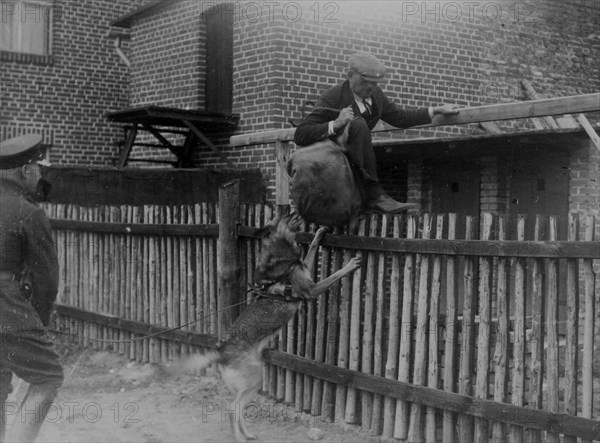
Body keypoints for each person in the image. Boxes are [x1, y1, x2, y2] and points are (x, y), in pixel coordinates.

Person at [294, 52, 459, 214]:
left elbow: (400, 117)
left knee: (359, 125)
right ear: (350, 75)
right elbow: (301, 134)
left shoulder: (376, 96)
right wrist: (335, 124)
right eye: (366, 81)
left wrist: (436, 110)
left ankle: (371, 198)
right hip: (331, 160)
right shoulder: (333, 97)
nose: (371, 87)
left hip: (356, 161)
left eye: (376, 83)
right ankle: (374, 195)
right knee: (358, 124)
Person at [0, 134, 63, 442]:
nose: (41, 174)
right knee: (49, 375)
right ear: (25, 171)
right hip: (7, 312)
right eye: (39, 167)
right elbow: (46, 280)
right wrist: (37, 323)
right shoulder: (29, 210)